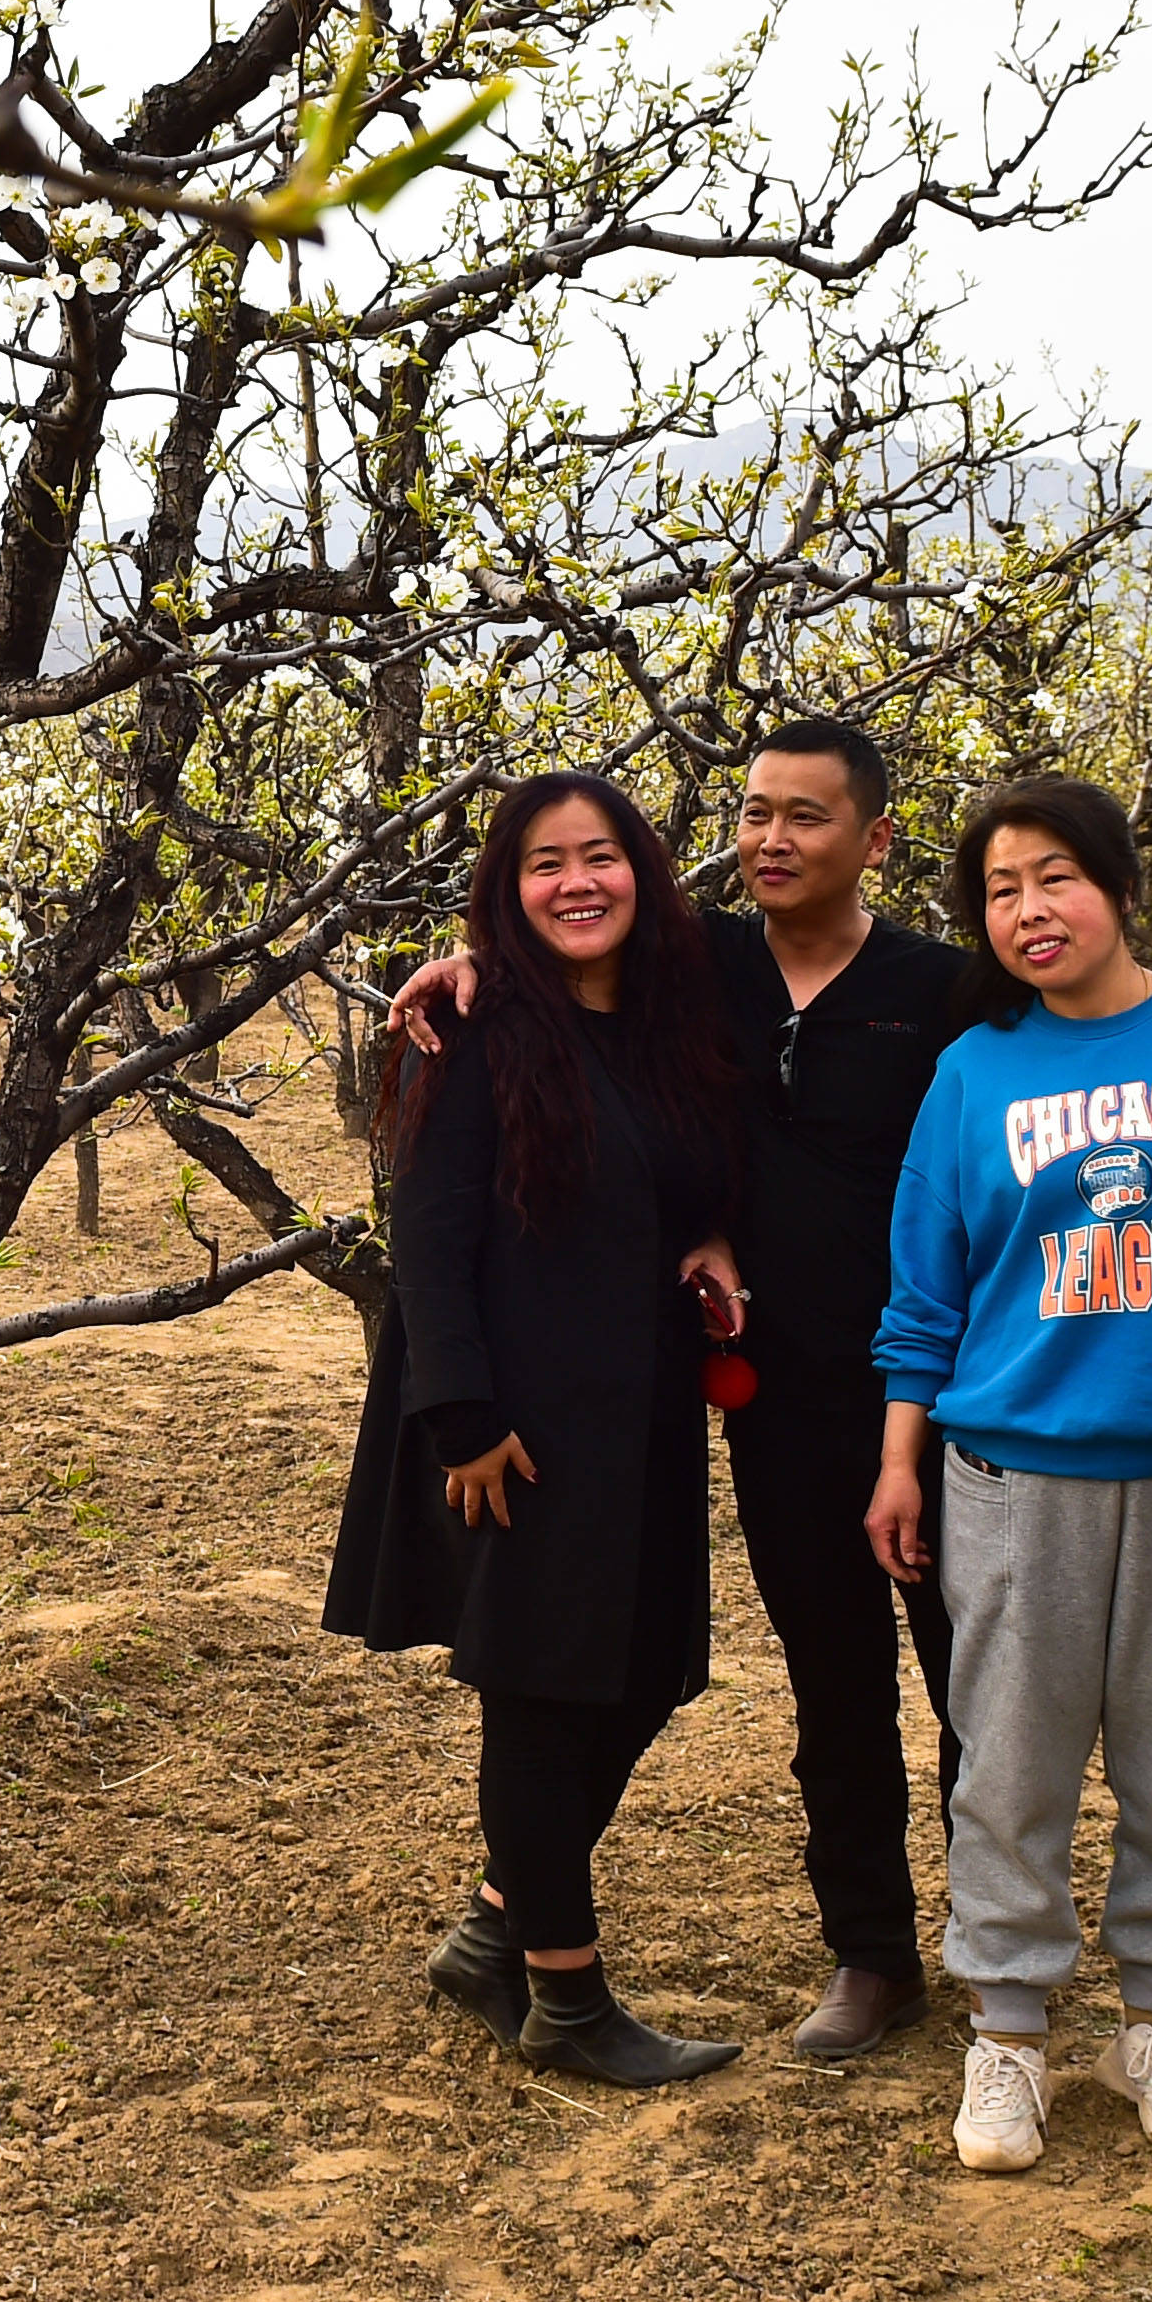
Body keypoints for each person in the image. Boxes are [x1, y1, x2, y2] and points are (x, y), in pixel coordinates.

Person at [383, 718, 981, 2059]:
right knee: (834, 1688)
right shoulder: (701, 966)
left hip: (938, 1393)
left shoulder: (944, 990)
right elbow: (560, 952)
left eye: (806, 818)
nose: (770, 840)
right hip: (772, 1399)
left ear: (876, 839)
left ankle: (1001, 1955)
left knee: (976, 1693)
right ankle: (871, 1956)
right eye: (753, 815)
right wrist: (467, 964)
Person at [869, 778, 1152, 2173]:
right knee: (1012, 1762)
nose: (1029, 911)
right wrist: (899, 1461)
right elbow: (924, 1289)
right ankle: (1007, 2036)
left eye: (1054, 877)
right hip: (1010, 1473)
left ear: (1117, 883)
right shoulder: (974, 1072)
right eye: (999, 890)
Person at [327, 770, 752, 2089]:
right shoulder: (477, 1033)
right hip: (515, 1427)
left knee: (641, 1673)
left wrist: (711, 1242)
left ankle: (497, 1929)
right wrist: (460, 1421)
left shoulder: (671, 1014)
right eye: (543, 865)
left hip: (640, 1416)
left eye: (602, 856)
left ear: (645, 870)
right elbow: (429, 1244)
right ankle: (565, 1999)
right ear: (505, 896)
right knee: (537, 1693)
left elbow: (686, 1183)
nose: (578, 883)